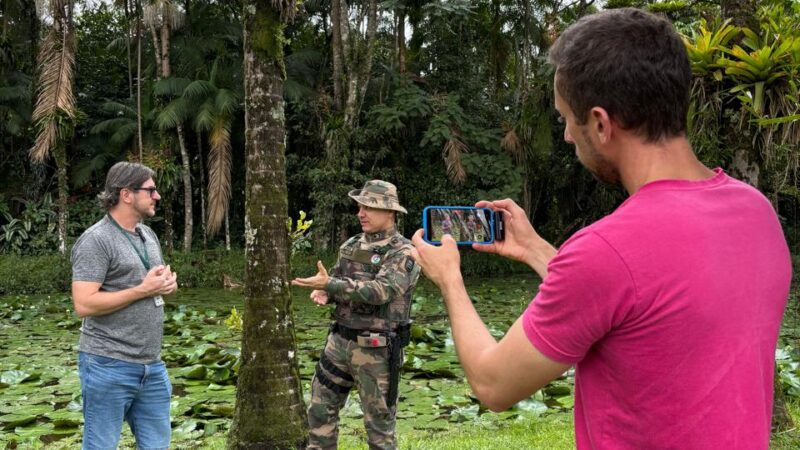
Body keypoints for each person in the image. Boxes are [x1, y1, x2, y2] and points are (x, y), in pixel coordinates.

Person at [410, 8, 791, 450]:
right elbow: (642, 301)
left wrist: (450, 278)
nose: (569, 137)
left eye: (566, 120)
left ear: (600, 123)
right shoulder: (756, 213)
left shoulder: (605, 250)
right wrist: (535, 249)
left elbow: (494, 385)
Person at [292, 180, 421, 450]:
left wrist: (330, 286)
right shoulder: (351, 246)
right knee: (319, 411)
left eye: (369, 207)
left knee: (379, 427)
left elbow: (380, 291)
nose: (361, 213)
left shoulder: (404, 252)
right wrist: (327, 294)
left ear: (390, 212)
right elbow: (340, 281)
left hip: (376, 349)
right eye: (360, 206)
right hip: (339, 342)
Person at [71, 162, 177, 450]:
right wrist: (142, 289)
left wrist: (165, 285)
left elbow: (149, 283)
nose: (157, 196)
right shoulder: (96, 240)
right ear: (126, 194)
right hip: (107, 363)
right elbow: (83, 303)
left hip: (151, 366)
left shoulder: (147, 235)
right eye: (151, 190)